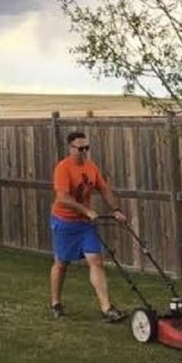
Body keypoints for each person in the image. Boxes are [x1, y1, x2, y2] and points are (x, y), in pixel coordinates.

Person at [49, 131, 128, 322]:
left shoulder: (91, 167)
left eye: (87, 148)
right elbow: (63, 198)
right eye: (80, 148)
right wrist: (85, 210)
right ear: (71, 148)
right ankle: (56, 303)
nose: (84, 151)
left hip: (85, 225)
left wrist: (116, 209)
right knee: (61, 263)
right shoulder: (63, 168)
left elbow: (104, 189)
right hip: (64, 222)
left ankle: (106, 307)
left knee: (96, 261)